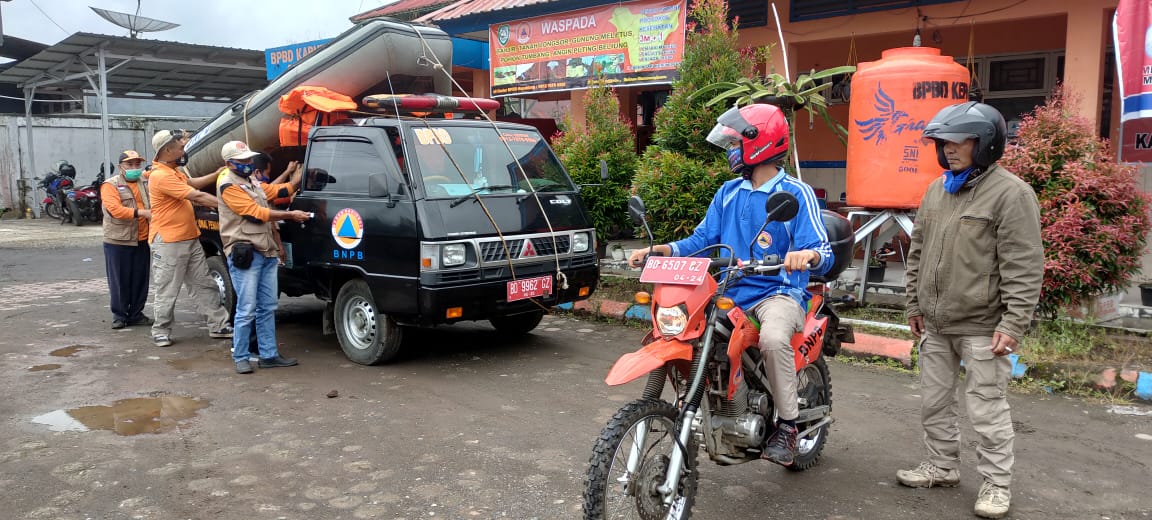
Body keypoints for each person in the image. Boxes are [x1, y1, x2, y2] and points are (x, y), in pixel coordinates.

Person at [627, 103, 834, 467]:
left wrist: (808, 257)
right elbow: (702, 240)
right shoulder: (728, 192)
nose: (732, 152)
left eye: (737, 144)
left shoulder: (796, 194)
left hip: (778, 293)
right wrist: (658, 249)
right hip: (729, 291)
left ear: (761, 146)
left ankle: (786, 425)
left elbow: (822, 249)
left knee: (772, 339)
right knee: (682, 334)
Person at [899, 102, 1043, 519]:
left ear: (985, 144)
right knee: (933, 403)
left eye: (960, 141)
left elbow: (1024, 263)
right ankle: (942, 466)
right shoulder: (936, 189)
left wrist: (1014, 322)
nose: (949, 150)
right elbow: (919, 252)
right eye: (944, 143)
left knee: (987, 409)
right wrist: (914, 302)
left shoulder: (1012, 194)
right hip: (937, 323)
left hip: (984, 326)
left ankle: (996, 485)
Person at [215, 141, 311, 374]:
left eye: (249, 160)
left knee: (267, 307)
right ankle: (241, 356)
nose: (249, 164)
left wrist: (295, 181)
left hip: (265, 250)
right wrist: (290, 215)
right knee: (247, 308)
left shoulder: (250, 181)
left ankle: (269, 355)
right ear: (230, 163)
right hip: (246, 253)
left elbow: (272, 192)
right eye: (244, 161)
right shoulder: (228, 185)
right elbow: (257, 212)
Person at [148, 129, 233, 347]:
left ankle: (218, 325)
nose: (183, 151)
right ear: (168, 150)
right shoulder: (160, 176)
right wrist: (231, 204)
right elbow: (196, 195)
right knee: (167, 289)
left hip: (190, 238)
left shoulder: (175, 171)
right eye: (180, 147)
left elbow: (193, 184)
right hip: (169, 242)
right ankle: (161, 330)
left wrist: (217, 173)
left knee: (204, 284)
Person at [100, 150, 152, 329]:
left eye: (137, 164)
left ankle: (136, 314)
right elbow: (115, 210)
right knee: (119, 280)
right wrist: (142, 213)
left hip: (142, 239)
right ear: (121, 166)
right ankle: (120, 315)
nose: (134, 168)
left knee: (140, 279)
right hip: (118, 241)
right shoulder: (110, 185)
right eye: (130, 164)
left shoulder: (145, 181)